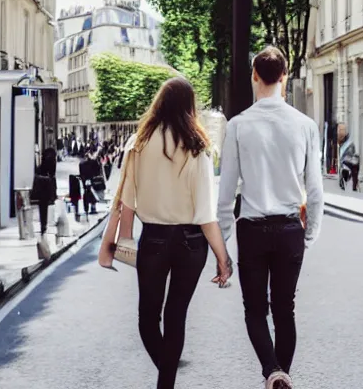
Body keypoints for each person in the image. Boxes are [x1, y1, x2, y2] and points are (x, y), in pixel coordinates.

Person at [98, 77, 232, 389]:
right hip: (191, 243)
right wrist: (223, 257)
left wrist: (124, 240)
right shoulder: (198, 148)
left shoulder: (139, 144)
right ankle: (167, 378)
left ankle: (166, 378)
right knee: (176, 317)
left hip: (154, 240)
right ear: (189, 107)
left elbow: (126, 201)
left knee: (148, 320)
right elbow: (205, 214)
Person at [217, 47, 324, 389]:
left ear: (253, 75)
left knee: (255, 310)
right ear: (284, 77)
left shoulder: (238, 125)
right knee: (285, 310)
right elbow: (316, 190)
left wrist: (222, 247)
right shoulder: (305, 125)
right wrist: (308, 235)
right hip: (290, 227)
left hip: (252, 229)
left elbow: (226, 193)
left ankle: (272, 372)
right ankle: (281, 375)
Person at [338, 123, 359, 191]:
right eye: (340, 130)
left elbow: (353, 155)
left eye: (343, 130)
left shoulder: (350, 144)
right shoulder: (337, 141)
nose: (341, 131)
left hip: (347, 163)